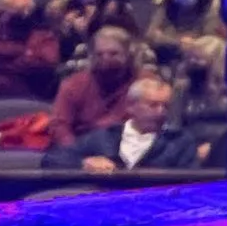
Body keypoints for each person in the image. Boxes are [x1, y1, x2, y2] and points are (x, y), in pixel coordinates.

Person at [44, 73, 205, 172]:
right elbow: (53, 159)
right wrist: (84, 163)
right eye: (153, 105)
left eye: (165, 106)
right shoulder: (104, 137)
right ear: (131, 106)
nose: (161, 111)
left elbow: (190, 183)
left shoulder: (180, 141)